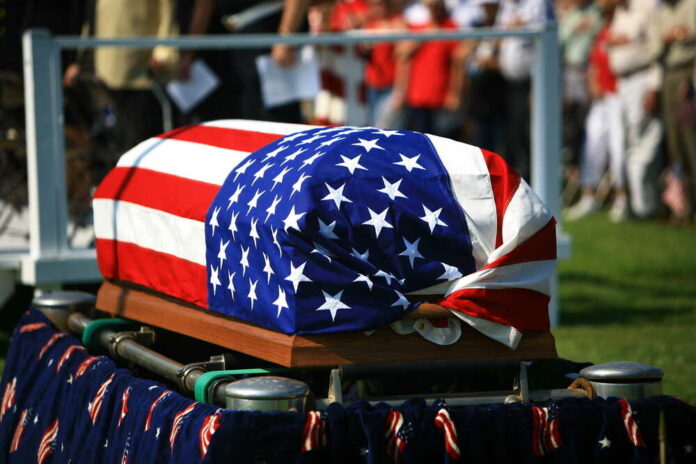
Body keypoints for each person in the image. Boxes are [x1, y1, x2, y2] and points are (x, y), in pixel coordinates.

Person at [63, 0, 178, 156]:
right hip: (101, 79)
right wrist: (81, 61)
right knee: (110, 147)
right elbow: (93, 17)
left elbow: (167, 12)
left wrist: (164, 54)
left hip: (140, 76)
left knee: (141, 147)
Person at [178, 0, 313, 123]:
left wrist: (286, 37)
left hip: (269, 34)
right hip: (239, 39)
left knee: (276, 118)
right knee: (249, 113)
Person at [567, 0, 628, 221]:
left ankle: (622, 198)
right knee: (592, 144)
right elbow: (593, 62)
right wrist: (593, 84)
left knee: (618, 147)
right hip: (600, 99)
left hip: (619, 96)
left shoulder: (624, 30)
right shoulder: (601, 33)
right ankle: (589, 196)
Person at [606, 0, 662, 218]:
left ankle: (645, 207)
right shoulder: (620, 11)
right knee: (628, 144)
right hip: (623, 82)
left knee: (644, 142)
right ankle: (638, 205)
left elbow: (655, 49)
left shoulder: (648, 6)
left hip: (642, 79)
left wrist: (653, 85)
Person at [494, 0, 555, 181]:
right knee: (513, 134)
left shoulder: (538, 4)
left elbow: (544, 43)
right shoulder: (507, 5)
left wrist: (538, 88)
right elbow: (498, 35)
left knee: (529, 135)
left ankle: (534, 179)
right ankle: (517, 178)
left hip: (532, 83)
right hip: (508, 83)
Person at [647, 0, 696, 222]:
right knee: (675, 146)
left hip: (689, 74)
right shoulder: (660, 11)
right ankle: (683, 208)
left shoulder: (691, 5)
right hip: (669, 75)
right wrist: (675, 35)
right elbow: (653, 49)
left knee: (691, 144)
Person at [392, 0, 469, 136]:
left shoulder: (451, 28)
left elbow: (458, 64)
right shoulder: (419, 28)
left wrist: (455, 93)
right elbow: (401, 53)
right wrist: (426, 34)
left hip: (440, 98)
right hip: (417, 97)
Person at [359, 0, 406, 127]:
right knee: (374, 126)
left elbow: (404, 58)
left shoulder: (396, 23)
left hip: (390, 86)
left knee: (387, 127)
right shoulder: (369, 25)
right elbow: (363, 50)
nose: (376, 8)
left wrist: (400, 90)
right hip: (372, 85)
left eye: (379, 4)